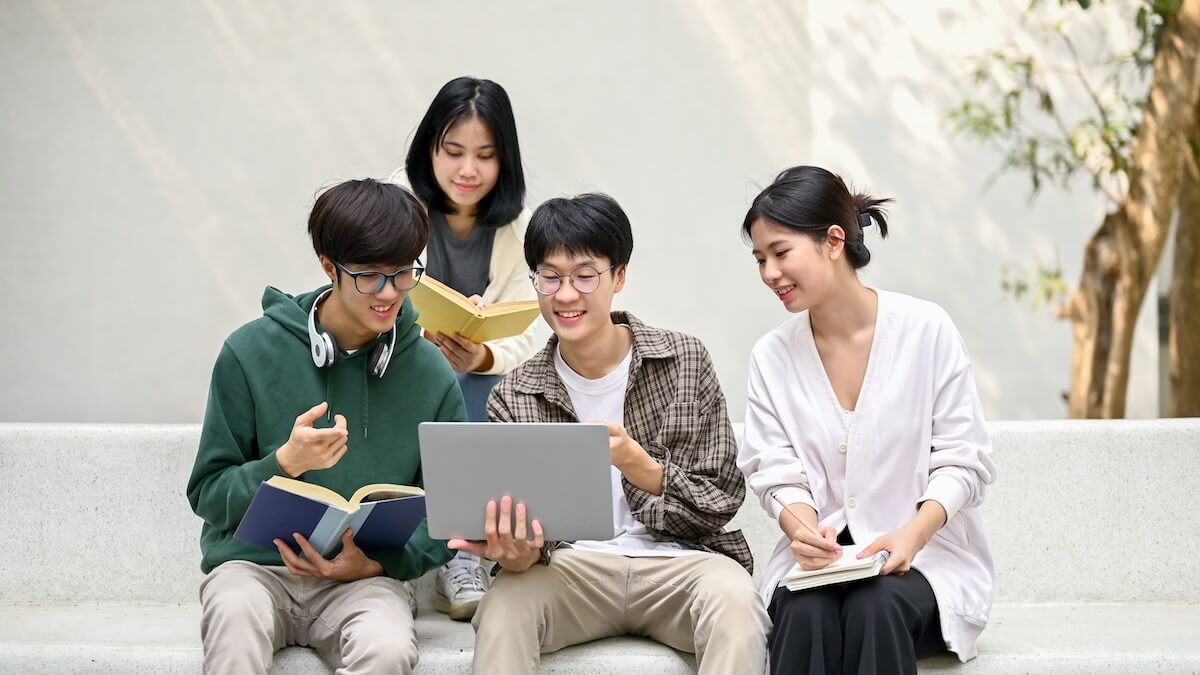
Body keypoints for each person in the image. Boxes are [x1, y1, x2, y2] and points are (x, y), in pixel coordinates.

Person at [453, 193, 768, 675]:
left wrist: (638, 465)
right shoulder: (513, 394)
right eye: (550, 276)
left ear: (618, 276)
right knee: (501, 610)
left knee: (737, 603)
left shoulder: (684, 360)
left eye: (584, 275)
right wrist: (514, 553)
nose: (565, 294)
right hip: (570, 571)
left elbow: (720, 499)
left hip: (681, 563)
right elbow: (525, 552)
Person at [186, 179, 465, 674]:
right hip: (251, 571)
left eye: (404, 274)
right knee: (233, 620)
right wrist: (283, 464)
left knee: (388, 648)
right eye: (370, 277)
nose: (389, 293)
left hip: (363, 583)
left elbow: (452, 509)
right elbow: (208, 492)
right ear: (328, 266)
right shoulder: (247, 353)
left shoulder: (430, 372)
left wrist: (380, 564)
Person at [736, 165, 997, 674]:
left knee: (874, 605)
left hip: (926, 559)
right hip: (819, 568)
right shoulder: (771, 356)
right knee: (804, 610)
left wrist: (912, 535)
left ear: (833, 242)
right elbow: (774, 471)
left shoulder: (926, 330)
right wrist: (803, 531)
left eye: (781, 253)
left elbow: (964, 460)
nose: (770, 273)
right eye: (760, 259)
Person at [388, 76, 538, 619]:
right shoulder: (392, 205)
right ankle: (393, 554)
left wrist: (483, 356)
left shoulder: (520, 230)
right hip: (396, 370)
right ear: (429, 149)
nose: (467, 170)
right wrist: (414, 338)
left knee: (480, 383)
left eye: (484, 155)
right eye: (452, 152)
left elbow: (527, 326)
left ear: (505, 161)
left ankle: (462, 551)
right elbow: (363, 298)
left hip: (477, 382)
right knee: (426, 377)